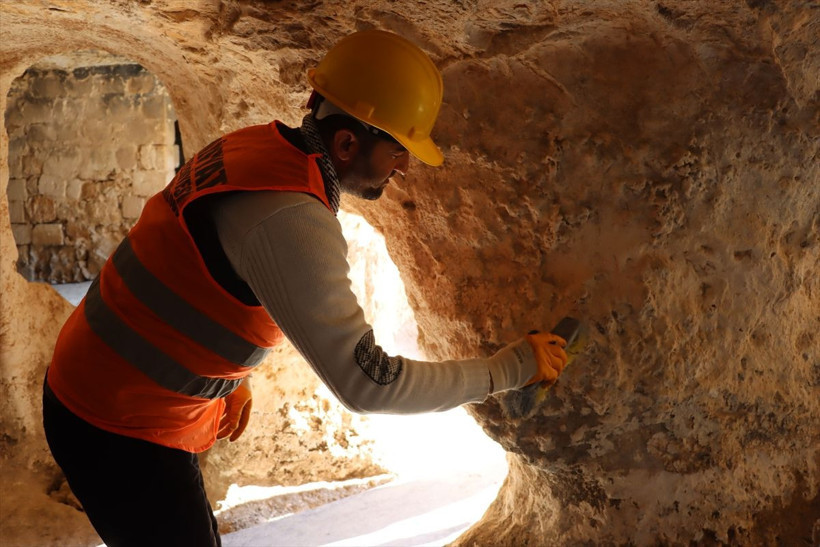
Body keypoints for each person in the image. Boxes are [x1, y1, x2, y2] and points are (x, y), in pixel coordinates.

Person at [42, 29, 568, 546]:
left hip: (101, 382)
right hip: (115, 423)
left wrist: (230, 379)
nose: (405, 167)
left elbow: (191, 262)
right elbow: (368, 384)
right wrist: (510, 369)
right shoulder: (291, 217)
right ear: (346, 143)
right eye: (398, 151)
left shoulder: (256, 148)